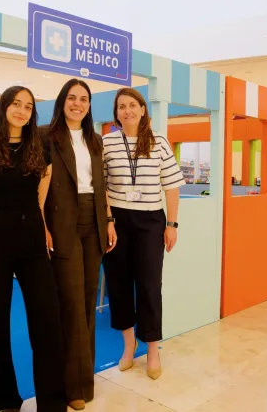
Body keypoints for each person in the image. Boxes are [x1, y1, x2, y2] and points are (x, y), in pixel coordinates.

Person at [0, 86, 66, 412]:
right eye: (16, 104)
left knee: (47, 325)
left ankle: (52, 403)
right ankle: (6, 402)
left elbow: (38, 204)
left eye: (28, 106)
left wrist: (44, 231)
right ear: (4, 107)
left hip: (33, 246)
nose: (22, 111)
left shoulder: (42, 153)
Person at [41, 79, 116, 410]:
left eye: (84, 99)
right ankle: (71, 385)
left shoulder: (95, 139)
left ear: (89, 105)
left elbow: (101, 186)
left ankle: (85, 382)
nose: (78, 104)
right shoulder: (45, 135)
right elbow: (38, 186)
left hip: (94, 221)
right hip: (62, 222)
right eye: (72, 98)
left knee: (87, 304)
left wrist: (110, 221)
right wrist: (43, 227)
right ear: (62, 102)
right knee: (70, 305)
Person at [102, 87, 184, 381]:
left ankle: (152, 349)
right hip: (117, 221)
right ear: (116, 113)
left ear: (142, 109)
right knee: (119, 284)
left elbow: (171, 186)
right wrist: (109, 220)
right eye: (121, 106)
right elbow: (102, 187)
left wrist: (171, 225)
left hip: (151, 221)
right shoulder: (107, 143)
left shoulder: (158, 141)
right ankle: (128, 344)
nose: (127, 111)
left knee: (150, 286)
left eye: (132, 105)